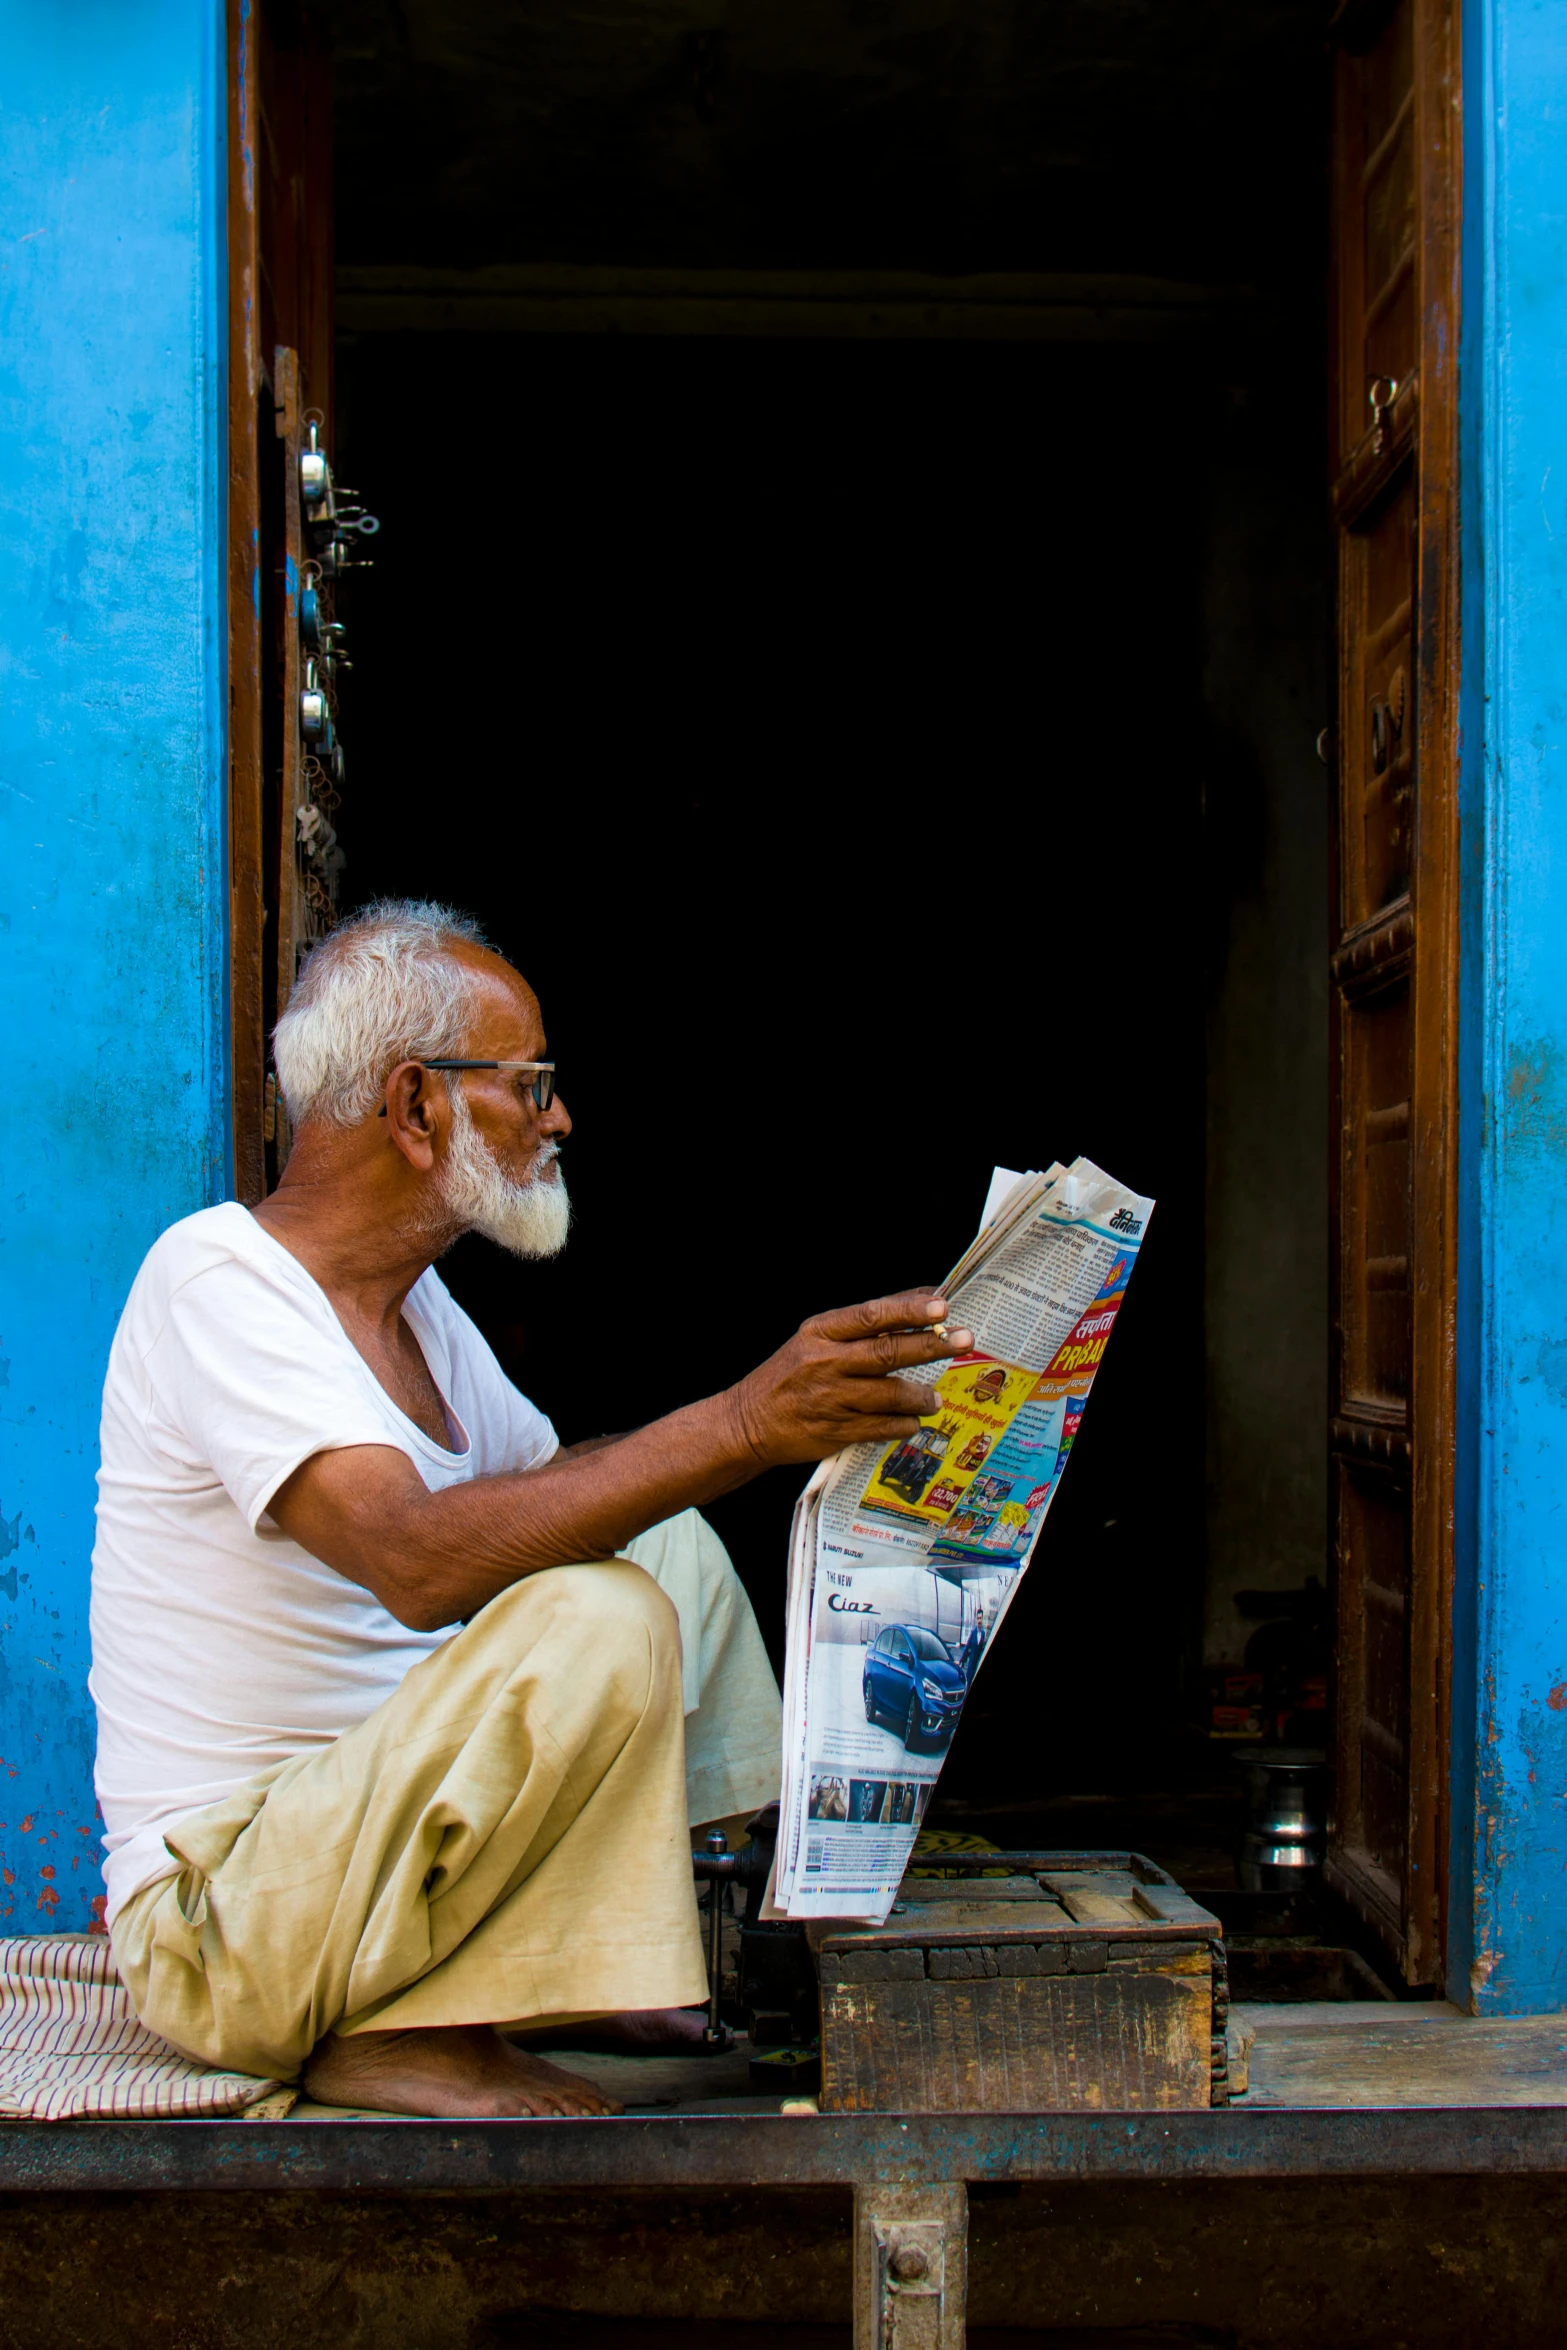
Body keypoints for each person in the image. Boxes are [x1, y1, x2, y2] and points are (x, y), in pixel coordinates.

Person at [89, 902, 968, 2120]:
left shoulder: (418, 1312)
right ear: (415, 1106)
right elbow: (413, 1559)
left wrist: (776, 1432)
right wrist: (737, 1423)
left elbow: (560, 1492)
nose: (559, 1117)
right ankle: (398, 2028)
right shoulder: (215, 1280)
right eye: (531, 1083)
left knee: (662, 1549)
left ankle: (631, 1940)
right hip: (230, 1923)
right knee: (597, 1617)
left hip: (356, 1872)